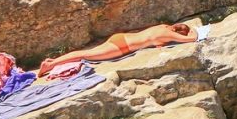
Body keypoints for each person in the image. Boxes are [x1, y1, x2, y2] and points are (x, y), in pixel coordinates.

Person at [38, 23, 198, 76]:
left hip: (122, 38)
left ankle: (53, 62)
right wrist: (194, 31)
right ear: (177, 33)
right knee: (86, 54)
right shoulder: (166, 33)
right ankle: (51, 64)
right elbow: (191, 39)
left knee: (88, 53)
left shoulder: (162, 27)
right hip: (123, 46)